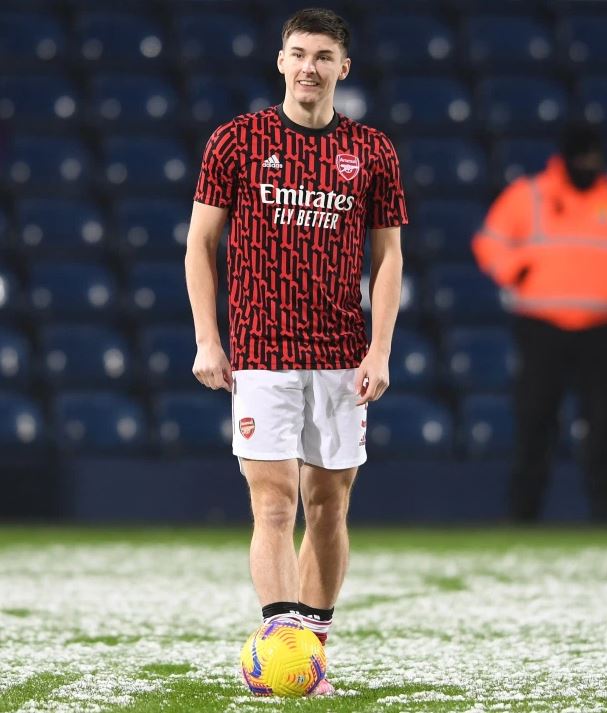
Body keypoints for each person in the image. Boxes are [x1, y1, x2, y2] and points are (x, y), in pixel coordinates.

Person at [184, 7, 408, 694]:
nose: (308, 66)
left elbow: (390, 255)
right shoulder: (237, 142)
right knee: (274, 502)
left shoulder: (373, 151)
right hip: (260, 350)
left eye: (322, 56)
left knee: (329, 505)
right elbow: (200, 244)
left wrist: (380, 350)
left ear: (344, 67)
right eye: (297, 53)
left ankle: (313, 643)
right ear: (281, 61)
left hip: (341, 352)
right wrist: (207, 338)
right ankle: (285, 647)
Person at [472, 122, 607, 522]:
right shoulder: (529, 195)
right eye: (582, 158)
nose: (589, 165)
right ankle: (523, 516)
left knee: (604, 429)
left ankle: (605, 517)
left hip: (601, 331)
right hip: (540, 328)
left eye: (595, 159)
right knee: (535, 424)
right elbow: (488, 243)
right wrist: (518, 270)